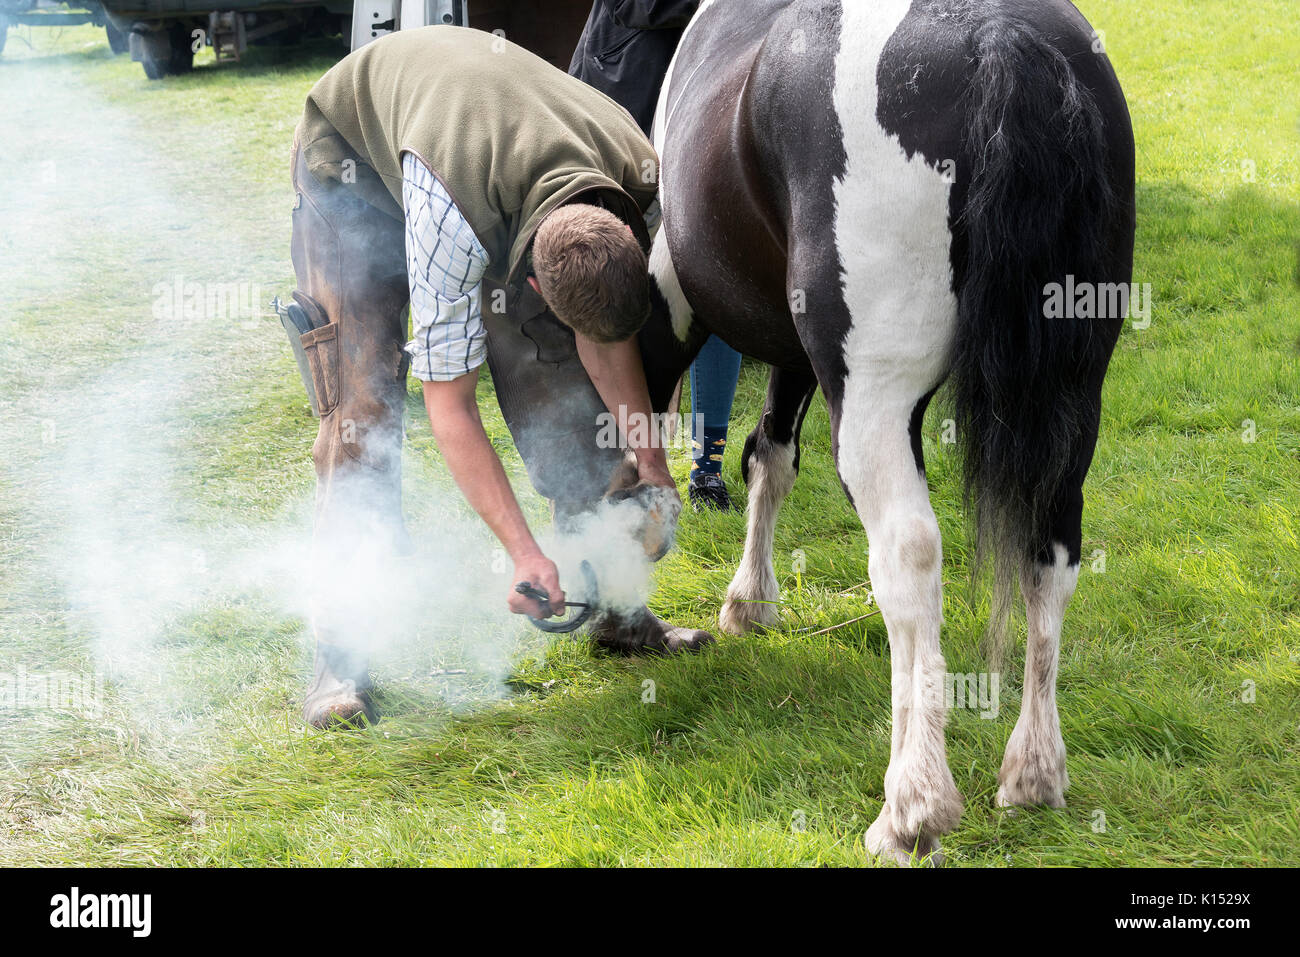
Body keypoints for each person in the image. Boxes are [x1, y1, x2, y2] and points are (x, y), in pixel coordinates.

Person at [290, 25, 709, 728]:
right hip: (355, 171)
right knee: (362, 415)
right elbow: (449, 406)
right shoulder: (450, 226)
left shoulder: (637, 172)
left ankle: (615, 604)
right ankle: (337, 652)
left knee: (562, 385)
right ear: (537, 286)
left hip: (495, 173)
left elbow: (606, 347)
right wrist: (522, 552)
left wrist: (653, 462)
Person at [570, 0, 743, 511]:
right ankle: (619, 461)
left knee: (717, 291)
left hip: (705, 118)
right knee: (611, 304)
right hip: (623, 122)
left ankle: (706, 466)